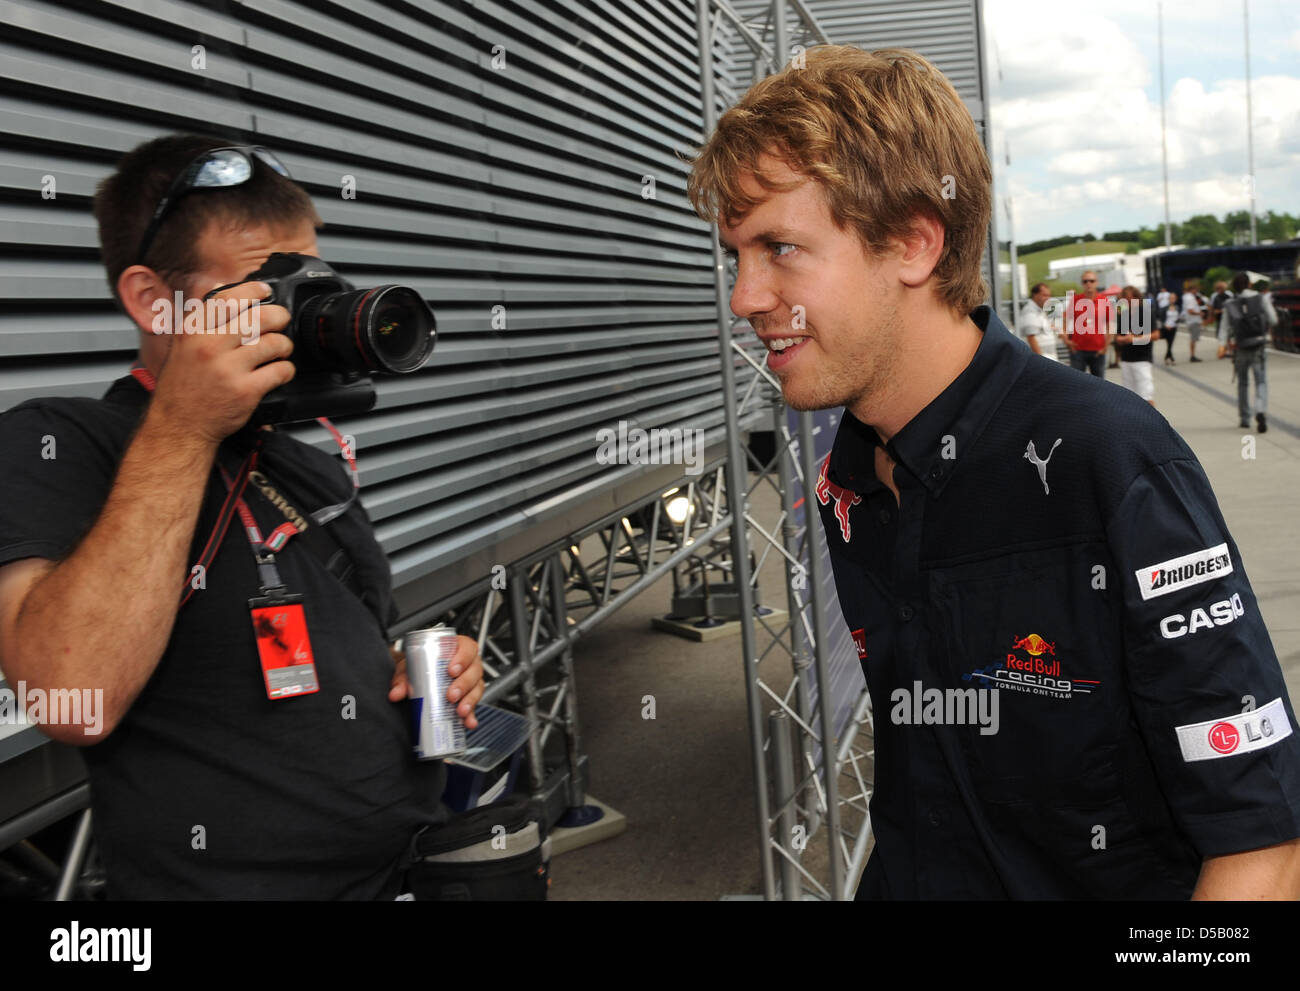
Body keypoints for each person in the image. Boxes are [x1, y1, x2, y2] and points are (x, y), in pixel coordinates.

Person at [688, 45, 1300, 899]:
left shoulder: (1110, 456)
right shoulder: (852, 475)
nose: (745, 296)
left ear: (911, 242)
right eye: (736, 257)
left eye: (780, 249)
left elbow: (1261, 849)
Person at [0, 134, 486, 899]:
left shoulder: (304, 463)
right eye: (270, 287)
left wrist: (412, 668)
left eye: (315, 277)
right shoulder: (61, 442)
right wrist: (185, 426)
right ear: (152, 300)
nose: (305, 310)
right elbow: (74, 692)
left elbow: (340, 653)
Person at [1217, 271, 1277, 433]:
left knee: (1242, 383)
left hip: (1241, 347)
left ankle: (1244, 418)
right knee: (1261, 382)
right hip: (1258, 346)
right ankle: (1260, 410)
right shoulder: (1260, 298)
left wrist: (1222, 346)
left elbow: (1224, 328)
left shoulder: (1230, 303)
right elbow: (1273, 319)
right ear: (1250, 284)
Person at [1115, 286, 1159, 406]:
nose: (1129, 303)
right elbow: (1118, 337)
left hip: (1142, 359)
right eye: (1126, 300)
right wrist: (1123, 339)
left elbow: (1155, 335)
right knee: (1129, 397)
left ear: (1137, 298)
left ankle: (1152, 422)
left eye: (1130, 299)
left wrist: (1135, 339)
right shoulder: (1123, 315)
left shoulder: (1145, 312)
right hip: (1126, 359)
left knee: (1146, 396)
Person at [1066, 270, 1110, 377]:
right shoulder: (1075, 301)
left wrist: (1106, 347)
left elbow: (1110, 326)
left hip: (1098, 351)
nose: (1088, 284)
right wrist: (1066, 340)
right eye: (1085, 281)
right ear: (1082, 284)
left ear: (1097, 282)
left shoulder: (1104, 301)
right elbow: (1064, 321)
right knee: (1077, 384)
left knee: (1099, 386)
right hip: (1078, 350)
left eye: (1091, 281)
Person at [1018, 282, 1058, 361]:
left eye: (1049, 295)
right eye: (1044, 295)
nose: (1048, 298)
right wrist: (1041, 361)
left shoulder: (1039, 310)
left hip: (1048, 359)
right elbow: (1031, 338)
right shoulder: (1030, 311)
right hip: (1042, 361)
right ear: (1035, 295)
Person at [1182, 278, 1207, 363]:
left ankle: (1192, 355)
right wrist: (1199, 314)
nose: (1197, 291)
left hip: (1190, 320)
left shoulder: (1186, 297)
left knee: (1193, 339)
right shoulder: (1190, 298)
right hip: (1193, 321)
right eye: (1196, 289)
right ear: (1193, 289)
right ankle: (1192, 356)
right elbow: (1190, 310)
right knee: (1193, 339)